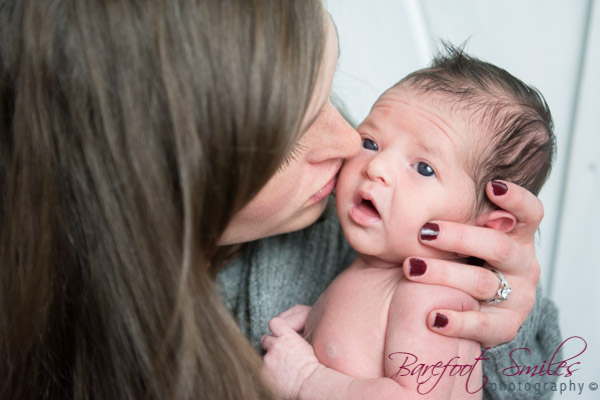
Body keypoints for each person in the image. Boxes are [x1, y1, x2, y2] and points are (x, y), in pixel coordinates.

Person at [0, 0, 558, 399]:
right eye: (289, 130)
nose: (352, 147)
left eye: (423, 167)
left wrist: (501, 310)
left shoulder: (428, 297)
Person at [257, 48, 561, 399]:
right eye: (370, 143)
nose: (377, 167)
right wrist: (318, 323)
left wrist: (306, 378)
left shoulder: (427, 298)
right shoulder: (377, 275)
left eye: (424, 168)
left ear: (487, 229)